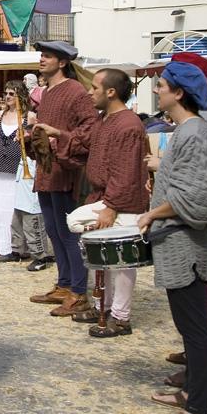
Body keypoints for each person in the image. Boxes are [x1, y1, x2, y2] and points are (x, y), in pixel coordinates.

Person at [138, 61, 207, 414]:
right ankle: (192, 392)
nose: (157, 90)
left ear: (179, 93)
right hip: (179, 243)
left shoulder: (194, 132)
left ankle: (198, 412)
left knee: (196, 331)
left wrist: (152, 213)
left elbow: (197, 198)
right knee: (191, 329)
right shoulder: (190, 128)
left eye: (162, 85)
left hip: (186, 244)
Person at [53, 69, 149, 338]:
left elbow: (126, 171)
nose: (89, 92)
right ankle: (102, 307)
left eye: (95, 87)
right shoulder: (105, 120)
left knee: (120, 261)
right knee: (100, 256)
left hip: (123, 203)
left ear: (111, 92)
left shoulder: (128, 125)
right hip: (103, 197)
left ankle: (120, 317)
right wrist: (56, 136)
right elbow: (82, 145)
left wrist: (112, 206)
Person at [28, 41, 98, 318]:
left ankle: (79, 292)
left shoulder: (76, 91)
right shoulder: (47, 91)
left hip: (66, 169)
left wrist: (58, 134)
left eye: (48, 56)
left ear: (62, 62)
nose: (42, 59)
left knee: (68, 232)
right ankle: (64, 283)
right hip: (47, 169)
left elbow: (90, 130)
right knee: (53, 230)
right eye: (42, 55)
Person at [0, 81, 33, 262]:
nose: (7, 97)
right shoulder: (0, 113)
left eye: (11, 94)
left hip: (18, 167)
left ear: (20, 96)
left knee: (16, 206)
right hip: (0, 166)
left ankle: (17, 247)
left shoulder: (29, 116)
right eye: (5, 93)